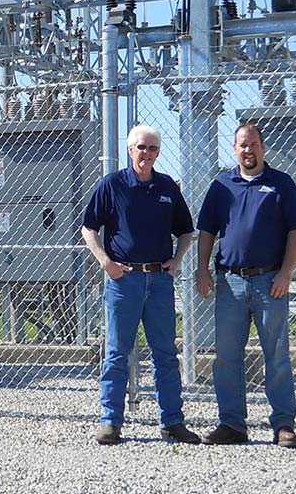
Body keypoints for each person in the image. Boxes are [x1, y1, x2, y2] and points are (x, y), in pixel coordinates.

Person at [81, 124, 200, 446]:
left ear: (158, 153)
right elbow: (89, 228)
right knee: (117, 354)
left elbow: (187, 231)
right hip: (125, 282)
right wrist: (105, 262)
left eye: (152, 149)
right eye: (140, 148)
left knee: (165, 354)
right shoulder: (113, 185)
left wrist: (175, 262)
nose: (146, 154)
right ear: (130, 150)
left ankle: (172, 422)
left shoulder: (166, 188)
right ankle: (111, 421)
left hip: (159, 282)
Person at [195, 122, 296, 449]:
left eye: (254, 144)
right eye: (243, 145)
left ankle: (283, 424)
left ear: (263, 147)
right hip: (229, 282)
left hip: (269, 281)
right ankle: (232, 424)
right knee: (227, 357)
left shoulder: (281, 184)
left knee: (276, 355)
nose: (249, 150)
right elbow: (206, 232)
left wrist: (286, 272)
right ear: (235, 149)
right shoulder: (221, 186)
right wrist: (202, 270)